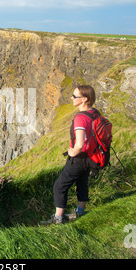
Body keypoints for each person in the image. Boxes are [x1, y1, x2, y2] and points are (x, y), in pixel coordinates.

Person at [43, 85, 97, 225]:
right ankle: (80, 212)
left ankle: (58, 218)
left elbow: (79, 143)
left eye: (75, 96)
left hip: (79, 158)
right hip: (90, 157)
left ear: (84, 99)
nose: (71, 98)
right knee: (82, 183)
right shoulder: (95, 113)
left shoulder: (80, 118)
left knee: (59, 186)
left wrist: (73, 151)